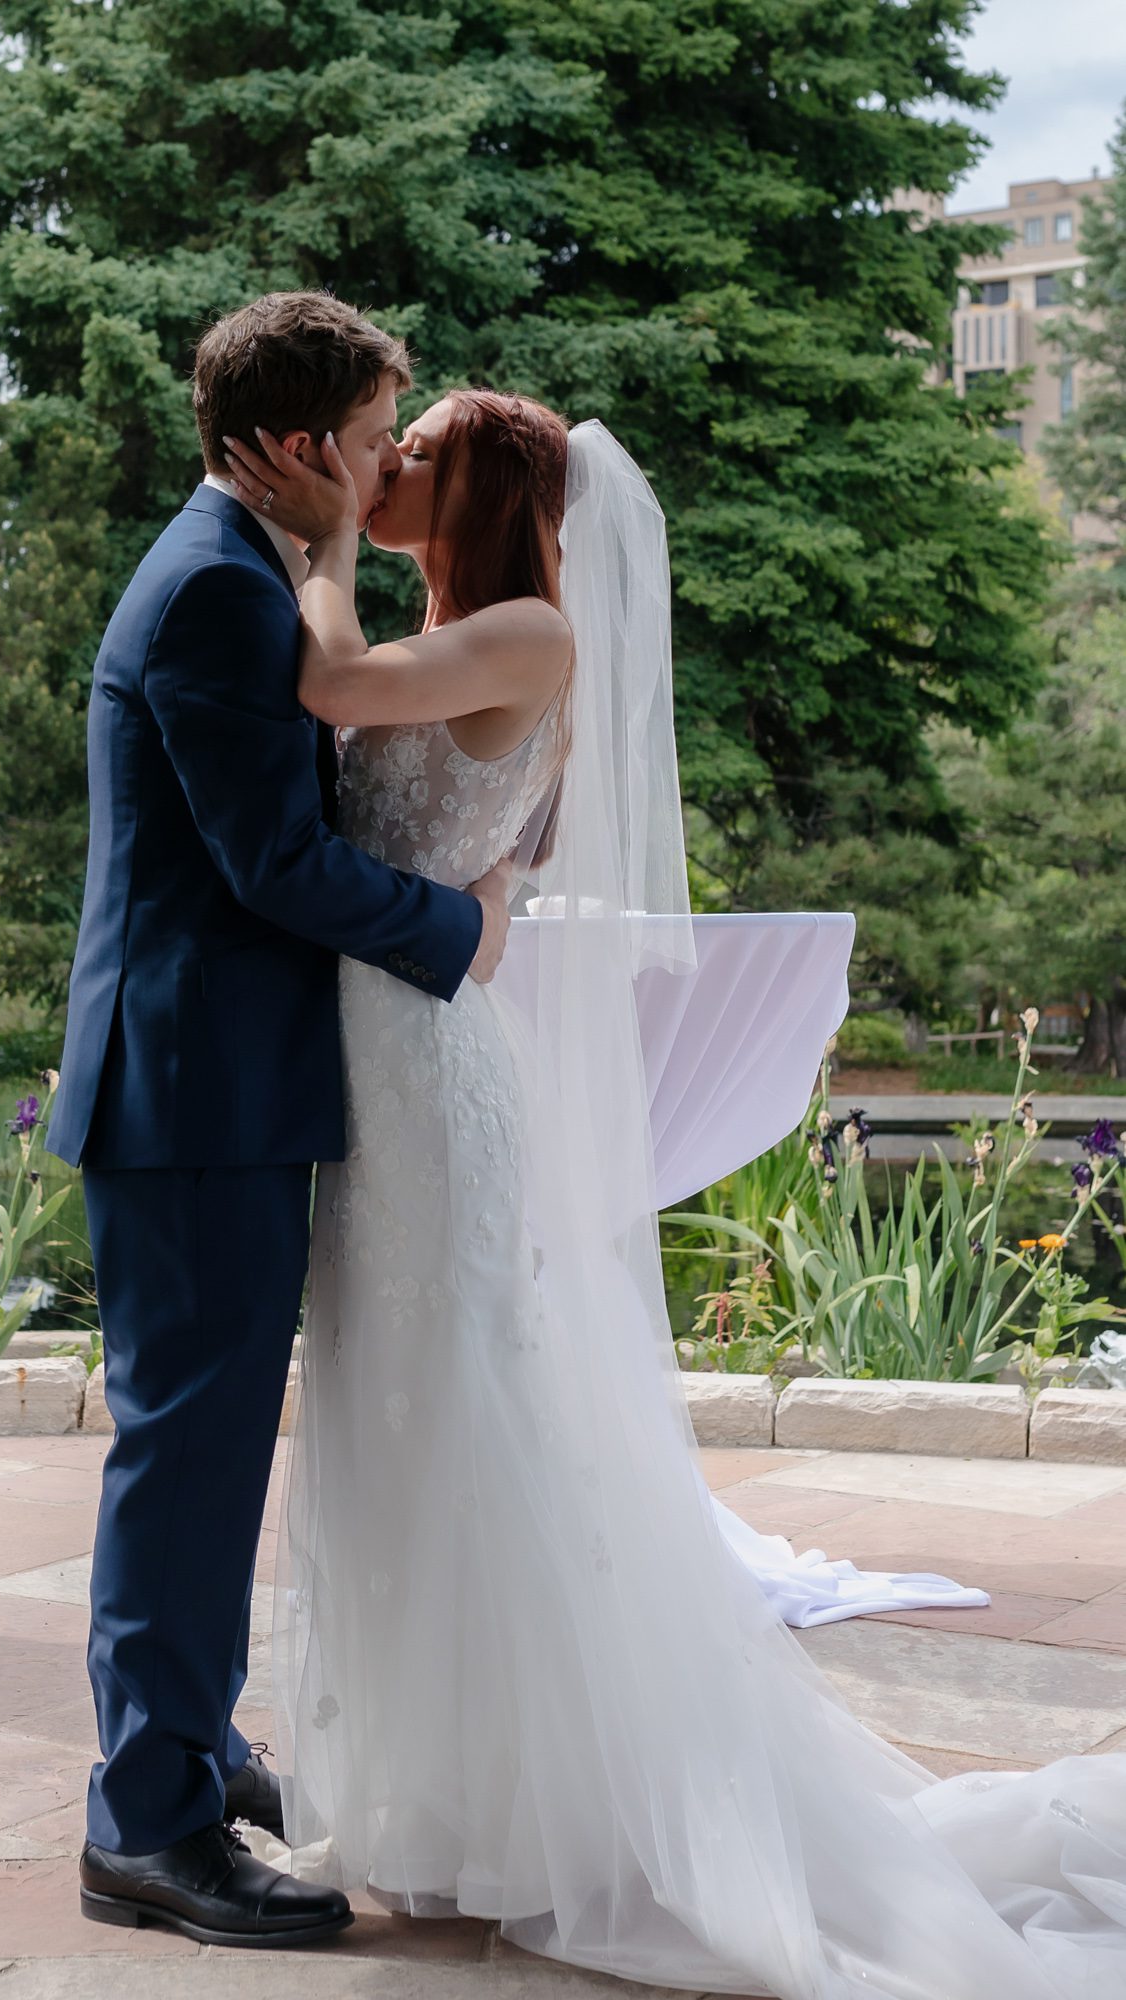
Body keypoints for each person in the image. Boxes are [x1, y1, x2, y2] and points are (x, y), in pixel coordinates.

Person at [217, 387, 1126, 1998]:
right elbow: (486, 843)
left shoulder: (524, 632)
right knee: (396, 1417)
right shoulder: (479, 630)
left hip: (429, 1077)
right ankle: (448, 1795)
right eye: (386, 446)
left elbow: (337, 683)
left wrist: (319, 521)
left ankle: (554, 1803)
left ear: (480, 484)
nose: (390, 465)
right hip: (388, 1048)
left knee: (461, 1413)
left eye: (413, 450)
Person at [43, 291, 516, 1949]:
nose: (385, 470)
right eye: (376, 439)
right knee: (186, 1460)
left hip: (220, 1086)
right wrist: (464, 931)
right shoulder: (213, 600)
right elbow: (273, 868)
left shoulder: (244, 573)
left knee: (216, 1446)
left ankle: (185, 1744)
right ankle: (146, 1829)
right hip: (191, 1097)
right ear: (308, 448)